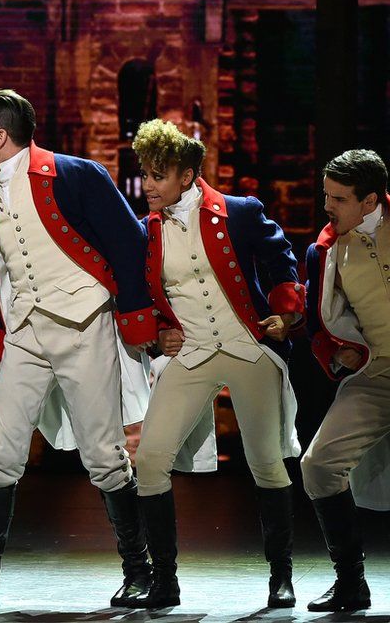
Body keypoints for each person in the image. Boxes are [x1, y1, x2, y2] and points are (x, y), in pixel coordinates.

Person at [0, 89, 156, 606]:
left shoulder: (75, 175)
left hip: (84, 324)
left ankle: (138, 568)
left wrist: (137, 318)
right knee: (0, 451)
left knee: (103, 453)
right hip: (25, 332)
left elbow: (129, 243)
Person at [131, 118, 304, 609]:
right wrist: (156, 332)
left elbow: (280, 257)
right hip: (194, 353)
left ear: (186, 176)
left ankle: (281, 577)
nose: (148, 185)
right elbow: (144, 292)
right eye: (146, 173)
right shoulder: (148, 229)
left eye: (158, 175)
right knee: (150, 459)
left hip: (247, 344)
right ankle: (164, 581)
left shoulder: (239, 211)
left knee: (266, 461)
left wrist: (285, 309)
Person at [301, 149, 390, 612]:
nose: (328, 206)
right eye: (326, 195)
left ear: (370, 200)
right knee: (318, 464)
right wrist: (342, 349)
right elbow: (318, 323)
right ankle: (351, 583)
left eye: (338, 198)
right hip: (378, 373)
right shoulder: (327, 249)